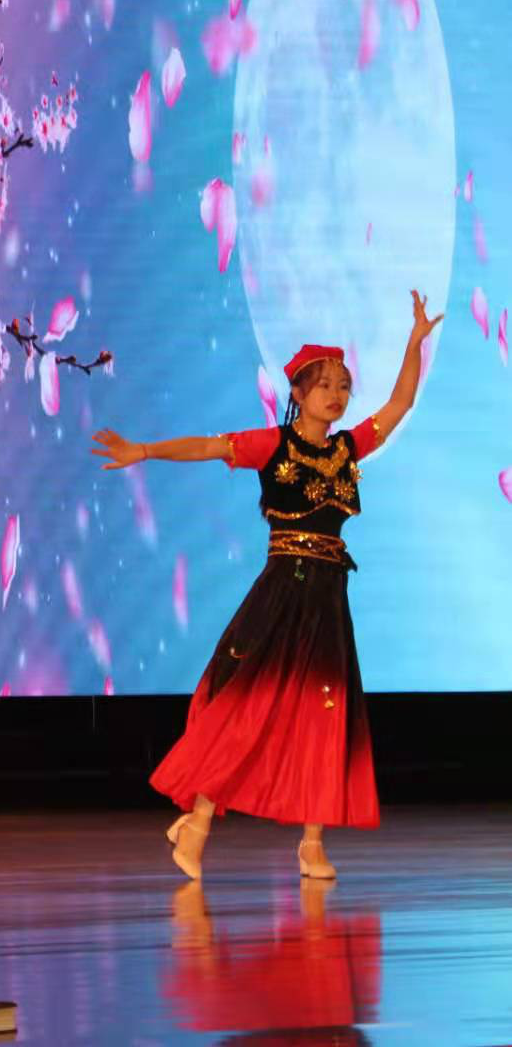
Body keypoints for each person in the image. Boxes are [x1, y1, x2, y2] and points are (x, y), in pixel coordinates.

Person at [89, 290, 442, 881]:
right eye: (324, 385)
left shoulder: (349, 448)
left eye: (343, 386)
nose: (336, 395)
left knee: (325, 715)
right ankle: (198, 824)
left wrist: (414, 343)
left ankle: (312, 843)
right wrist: (143, 450)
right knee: (249, 708)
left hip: (327, 597)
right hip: (283, 591)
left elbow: (400, 402)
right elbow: (208, 447)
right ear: (298, 393)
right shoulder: (273, 446)